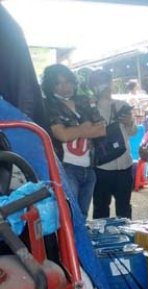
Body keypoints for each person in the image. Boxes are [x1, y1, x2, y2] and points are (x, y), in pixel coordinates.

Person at [42, 64, 105, 217]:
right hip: (66, 169)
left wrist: (74, 131)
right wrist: (86, 128)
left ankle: (79, 242)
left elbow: (102, 129)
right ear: (51, 86)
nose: (65, 87)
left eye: (68, 81)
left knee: (82, 216)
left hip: (89, 168)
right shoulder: (48, 104)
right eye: (59, 83)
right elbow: (61, 135)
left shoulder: (83, 101)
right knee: (68, 216)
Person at [89, 70, 137, 219]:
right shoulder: (90, 109)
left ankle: (126, 239)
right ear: (93, 86)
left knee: (124, 207)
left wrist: (129, 122)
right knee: (101, 208)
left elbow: (132, 132)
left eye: (106, 82)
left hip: (124, 164)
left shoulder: (122, 105)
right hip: (102, 167)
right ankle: (103, 240)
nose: (104, 87)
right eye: (99, 83)